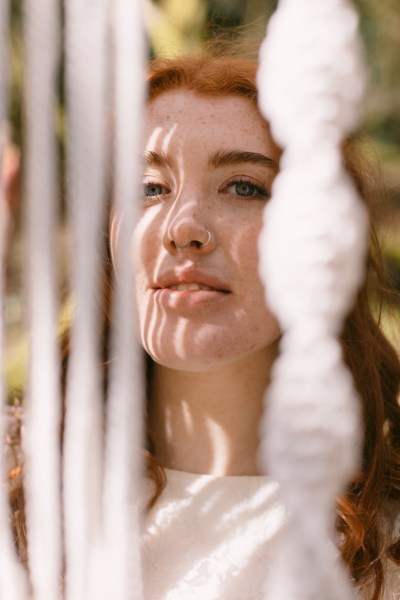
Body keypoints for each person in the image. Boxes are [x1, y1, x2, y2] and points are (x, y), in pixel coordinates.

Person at [6, 55, 400, 599]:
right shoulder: (20, 486)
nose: (182, 228)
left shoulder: (385, 539)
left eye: (243, 187)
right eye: (149, 188)